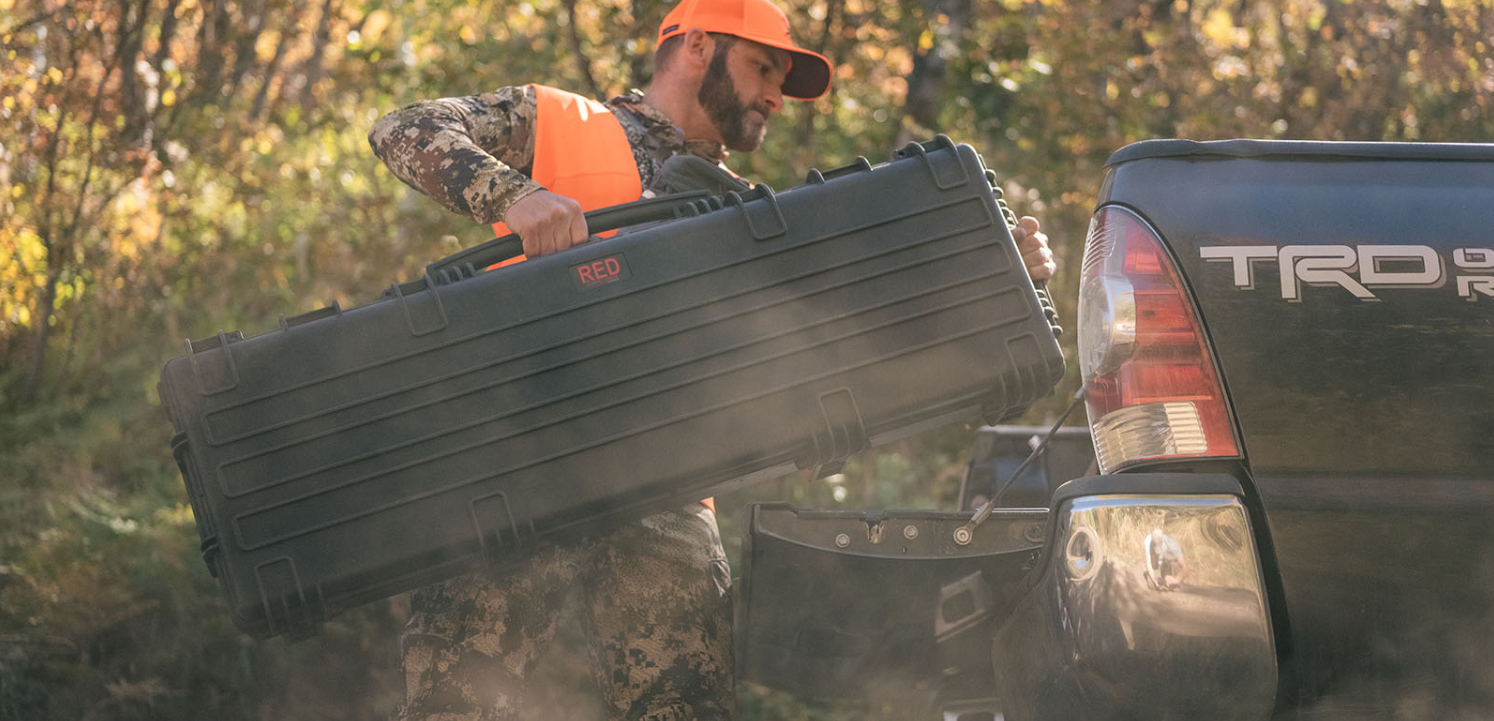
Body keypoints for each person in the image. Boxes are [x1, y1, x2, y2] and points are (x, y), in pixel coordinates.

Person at [369, 0, 1055, 717]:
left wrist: (1003, 267)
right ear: (697, 44)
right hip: (515, 466)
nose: (773, 96)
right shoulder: (560, 122)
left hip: (667, 496)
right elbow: (402, 128)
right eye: (763, 67)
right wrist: (517, 195)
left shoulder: (754, 221)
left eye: (781, 82)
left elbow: (836, 367)